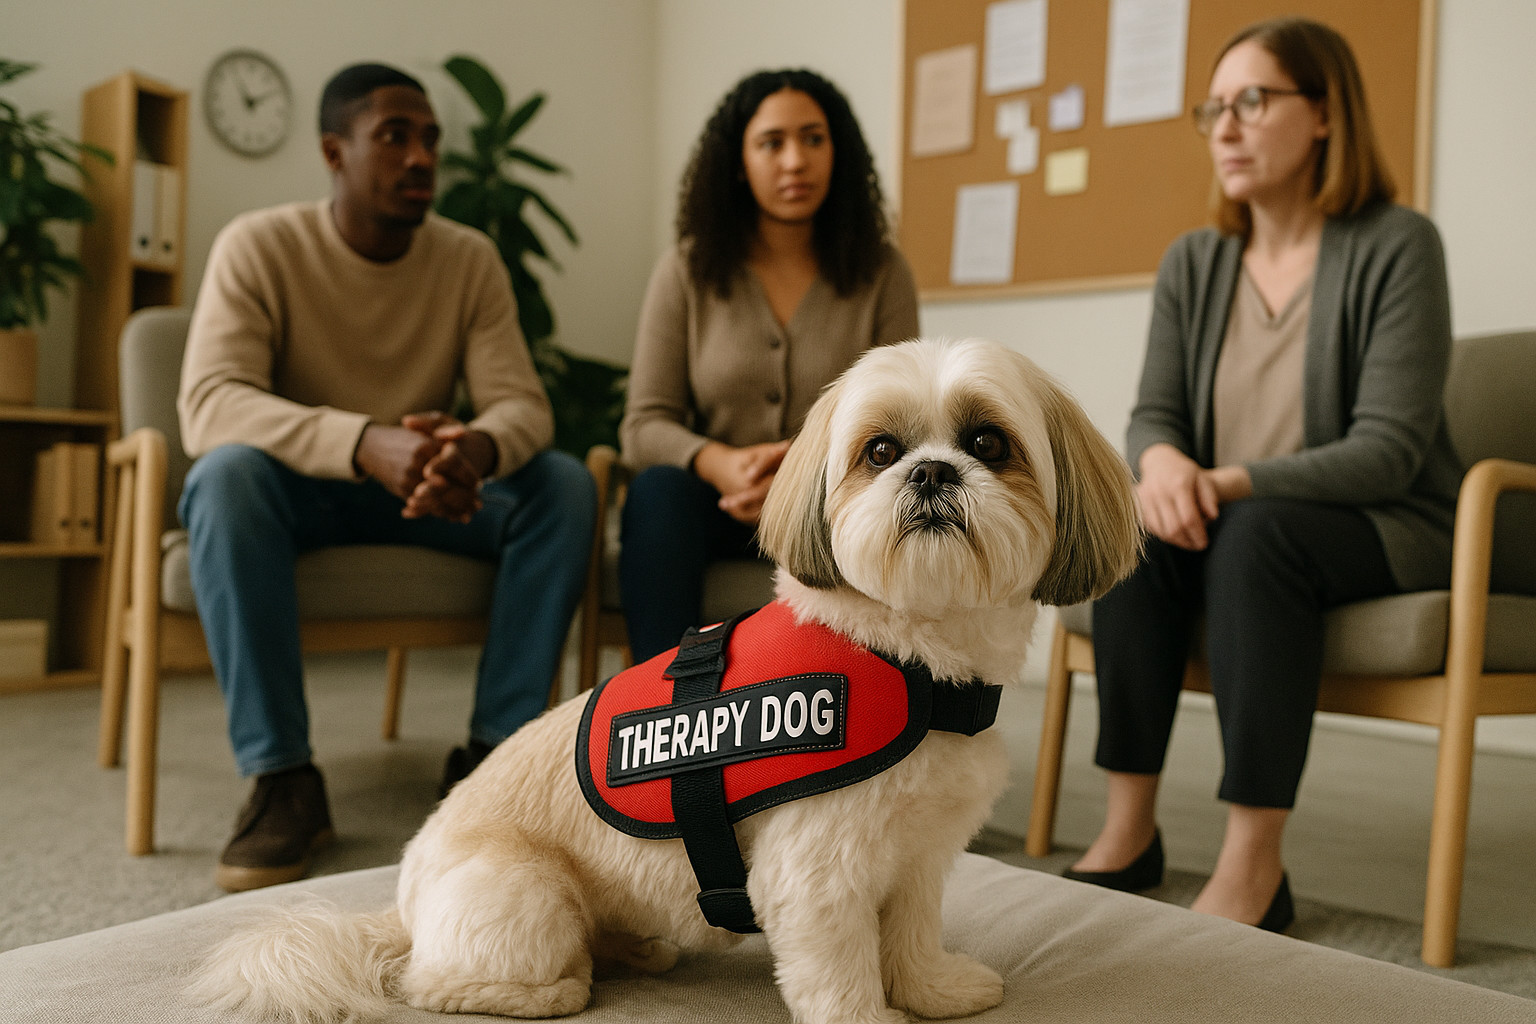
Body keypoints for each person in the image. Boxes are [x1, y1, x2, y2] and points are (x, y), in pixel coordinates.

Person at [1063, 18, 1460, 932]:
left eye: (1253, 102)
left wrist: (1225, 482)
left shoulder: (1399, 245)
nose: (1225, 129)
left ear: (1324, 115)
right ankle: (1129, 834)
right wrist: (1161, 465)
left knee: (1255, 533)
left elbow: (1389, 449)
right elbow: (1154, 413)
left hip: (1384, 524)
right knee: (1135, 525)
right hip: (1238, 521)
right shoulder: (1195, 261)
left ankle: (1254, 866)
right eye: (1214, 109)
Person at [177, 63, 596, 892]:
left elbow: (521, 405)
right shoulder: (259, 245)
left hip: (429, 494)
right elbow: (209, 404)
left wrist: (472, 449)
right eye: (394, 136)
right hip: (300, 492)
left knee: (563, 485)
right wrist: (363, 441)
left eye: (431, 138)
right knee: (225, 477)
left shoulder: (468, 259)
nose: (420, 158)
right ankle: (283, 779)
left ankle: (493, 761)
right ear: (335, 151)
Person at [618, 68, 919, 662]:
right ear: (738, 160)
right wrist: (719, 463)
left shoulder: (883, 271)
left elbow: (907, 417)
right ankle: (659, 711)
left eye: (813, 139)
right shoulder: (686, 270)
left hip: (836, 502)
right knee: (657, 492)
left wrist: (801, 475)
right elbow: (644, 425)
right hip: (721, 503)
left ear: (840, 153)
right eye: (771, 143)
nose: (795, 161)